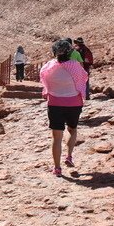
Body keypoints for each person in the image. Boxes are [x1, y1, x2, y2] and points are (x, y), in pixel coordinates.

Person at [40, 40, 88, 177]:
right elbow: (83, 79)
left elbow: (44, 81)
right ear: (70, 52)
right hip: (74, 103)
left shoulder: (48, 67)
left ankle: (57, 168)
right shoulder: (75, 66)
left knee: (56, 137)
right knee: (72, 129)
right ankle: (69, 156)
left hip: (55, 104)